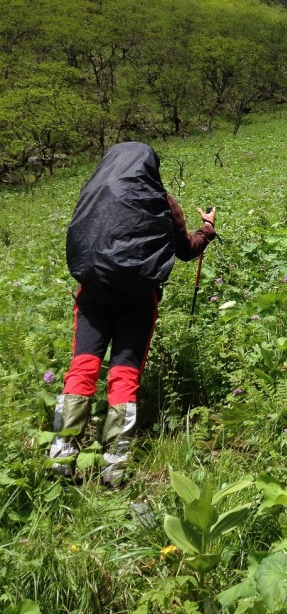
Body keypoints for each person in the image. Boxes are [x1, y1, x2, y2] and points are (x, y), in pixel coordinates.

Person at [49, 142, 216, 486]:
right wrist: (207, 229)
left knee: (83, 368)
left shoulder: (93, 191)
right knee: (124, 374)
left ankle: (62, 456)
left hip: (93, 295)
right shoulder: (162, 201)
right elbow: (184, 250)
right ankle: (114, 465)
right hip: (139, 300)